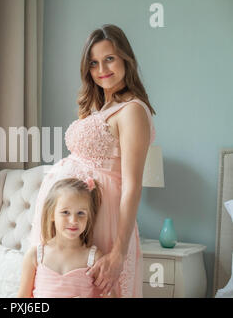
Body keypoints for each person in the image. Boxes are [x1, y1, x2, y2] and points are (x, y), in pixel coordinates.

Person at [29, 24, 156, 298]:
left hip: (102, 216)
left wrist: (118, 253)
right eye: (94, 63)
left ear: (125, 58)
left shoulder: (132, 110)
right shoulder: (102, 106)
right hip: (79, 211)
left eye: (109, 58)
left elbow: (132, 185)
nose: (102, 69)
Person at [17, 178, 113, 298]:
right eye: (65, 212)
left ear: (89, 216)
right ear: (52, 214)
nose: (73, 221)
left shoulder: (94, 259)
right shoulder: (35, 255)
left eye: (81, 213)